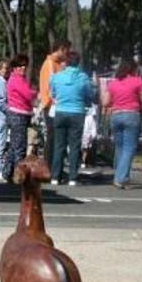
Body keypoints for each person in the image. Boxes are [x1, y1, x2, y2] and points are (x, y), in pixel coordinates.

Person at [49, 51, 95, 186]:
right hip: (77, 113)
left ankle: (55, 176)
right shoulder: (83, 78)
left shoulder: (56, 77)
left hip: (61, 111)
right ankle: (73, 177)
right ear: (78, 62)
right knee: (74, 146)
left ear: (66, 62)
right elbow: (89, 94)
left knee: (59, 146)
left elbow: (53, 93)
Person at [103, 60, 142, 188]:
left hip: (116, 115)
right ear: (133, 70)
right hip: (132, 114)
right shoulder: (138, 81)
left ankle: (120, 175)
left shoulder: (113, 83)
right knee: (129, 148)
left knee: (120, 147)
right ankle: (120, 178)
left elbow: (106, 102)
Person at [39, 40, 72, 169]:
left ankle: (55, 167)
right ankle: (48, 167)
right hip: (51, 106)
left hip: (58, 105)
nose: (67, 54)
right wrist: (49, 101)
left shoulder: (59, 64)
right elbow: (50, 87)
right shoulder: (49, 64)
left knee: (58, 138)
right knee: (52, 138)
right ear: (61, 49)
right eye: (66, 51)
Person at [3, 54, 36, 182]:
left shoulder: (18, 79)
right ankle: (20, 176)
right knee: (19, 148)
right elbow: (28, 95)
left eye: (24, 66)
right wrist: (36, 93)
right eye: (19, 66)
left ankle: (8, 173)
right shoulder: (16, 80)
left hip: (18, 115)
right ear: (14, 67)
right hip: (18, 115)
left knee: (13, 147)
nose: (23, 68)